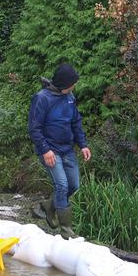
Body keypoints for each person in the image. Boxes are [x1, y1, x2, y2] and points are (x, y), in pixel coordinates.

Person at [28, 63, 92, 238]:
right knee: (62, 185)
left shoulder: (70, 97)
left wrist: (83, 144)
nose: (75, 85)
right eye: (73, 82)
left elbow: (75, 122)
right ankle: (66, 230)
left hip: (67, 149)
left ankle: (49, 206)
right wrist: (45, 150)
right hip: (50, 150)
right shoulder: (42, 98)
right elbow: (34, 128)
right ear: (64, 83)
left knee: (73, 185)